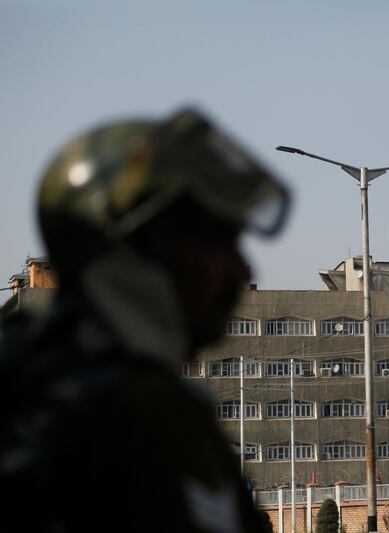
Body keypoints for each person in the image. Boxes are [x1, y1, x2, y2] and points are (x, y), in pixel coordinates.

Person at [0, 108, 290, 532]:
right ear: (140, 252)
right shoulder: (149, 415)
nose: (243, 273)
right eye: (218, 243)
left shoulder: (27, 375)